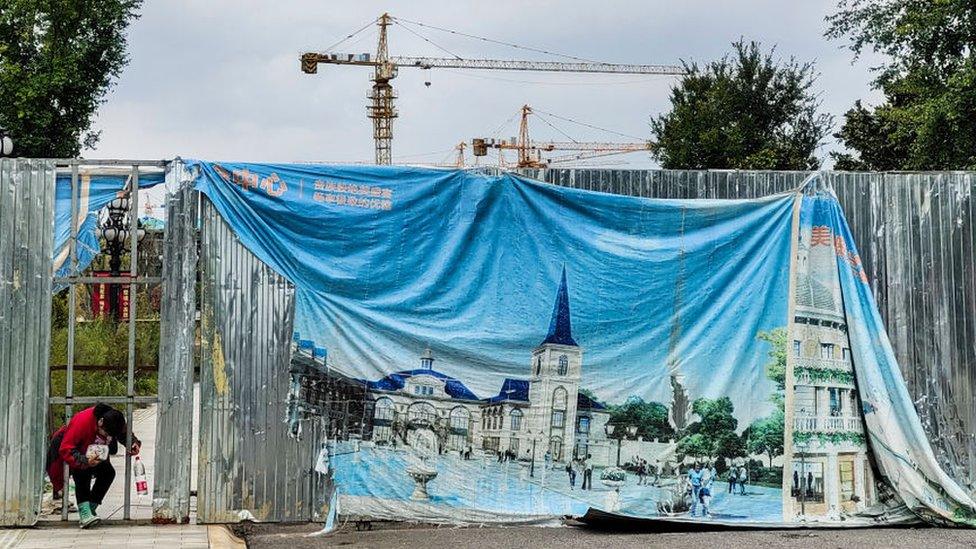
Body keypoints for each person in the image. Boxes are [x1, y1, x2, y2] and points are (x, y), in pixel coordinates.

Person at [45, 403, 140, 529]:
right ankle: (84, 513)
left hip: (93, 450)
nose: (107, 436)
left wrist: (133, 443)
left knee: (108, 473)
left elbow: (123, 434)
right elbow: (66, 448)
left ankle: (91, 507)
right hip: (74, 449)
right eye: (105, 433)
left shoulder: (114, 420)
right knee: (83, 473)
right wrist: (84, 461)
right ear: (100, 422)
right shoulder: (82, 422)